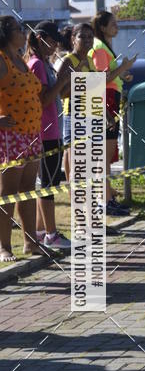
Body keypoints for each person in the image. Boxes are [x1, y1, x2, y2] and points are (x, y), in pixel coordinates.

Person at [26, 21, 73, 250]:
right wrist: (63, 81)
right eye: (52, 40)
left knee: (47, 182)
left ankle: (40, 230)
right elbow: (44, 99)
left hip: (51, 130)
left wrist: (67, 83)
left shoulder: (44, 63)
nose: (55, 45)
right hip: (45, 132)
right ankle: (51, 234)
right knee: (48, 186)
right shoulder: (37, 65)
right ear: (39, 37)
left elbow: (55, 95)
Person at [0, 16, 43, 261]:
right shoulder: (1, 59)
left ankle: (31, 241)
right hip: (11, 135)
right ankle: (4, 246)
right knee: (8, 193)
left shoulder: (22, 60)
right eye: (18, 29)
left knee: (28, 189)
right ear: (6, 33)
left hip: (32, 132)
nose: (23, 33)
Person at [89, 11, 136, 216]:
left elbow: (110, 74)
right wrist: (122, 68)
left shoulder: (106, 47)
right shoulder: (99, 47)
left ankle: (107, 197)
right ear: (102, 27)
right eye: (113, 24)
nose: (117, 27)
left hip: (111, 96)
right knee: (104, 154)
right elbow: (100, 77)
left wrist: (122, 73)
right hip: (105, 97)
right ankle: (104, 200)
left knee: (107, 154)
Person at [59, 23, 95, 183]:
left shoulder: (89, 60)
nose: (87, 40)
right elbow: (61, 93)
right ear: (73, 39)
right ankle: (77, 202)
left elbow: (94, 89)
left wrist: (106, 114)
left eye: (90, 37)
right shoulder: (69, 61)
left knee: (88, 165)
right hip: (75, 116)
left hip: (91, 113)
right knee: (78, 165)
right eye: (82, 36)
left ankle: (87, 204)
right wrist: (79, 77)